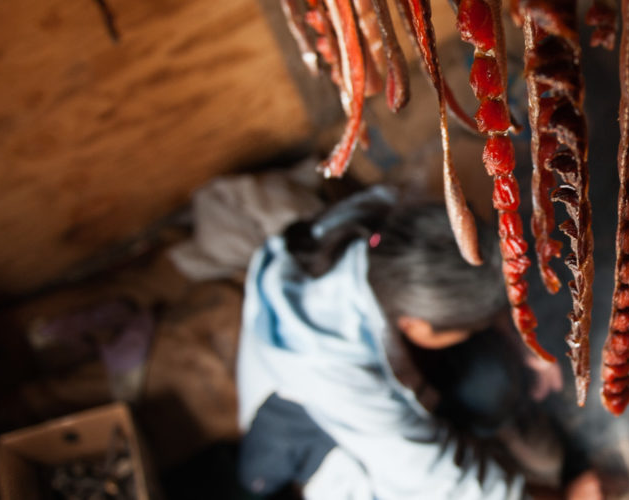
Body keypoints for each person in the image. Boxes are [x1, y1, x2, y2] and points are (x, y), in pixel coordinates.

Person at [235, 186, 566, 499]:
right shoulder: (334, 369)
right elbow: (432, 478)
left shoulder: (397, 227)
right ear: (414, 326)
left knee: (492, 384)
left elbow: (481, 283)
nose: (474, 331)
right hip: (296, 422)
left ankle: (486, 428)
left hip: (354, 354)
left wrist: (525, 340)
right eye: (466, 328)